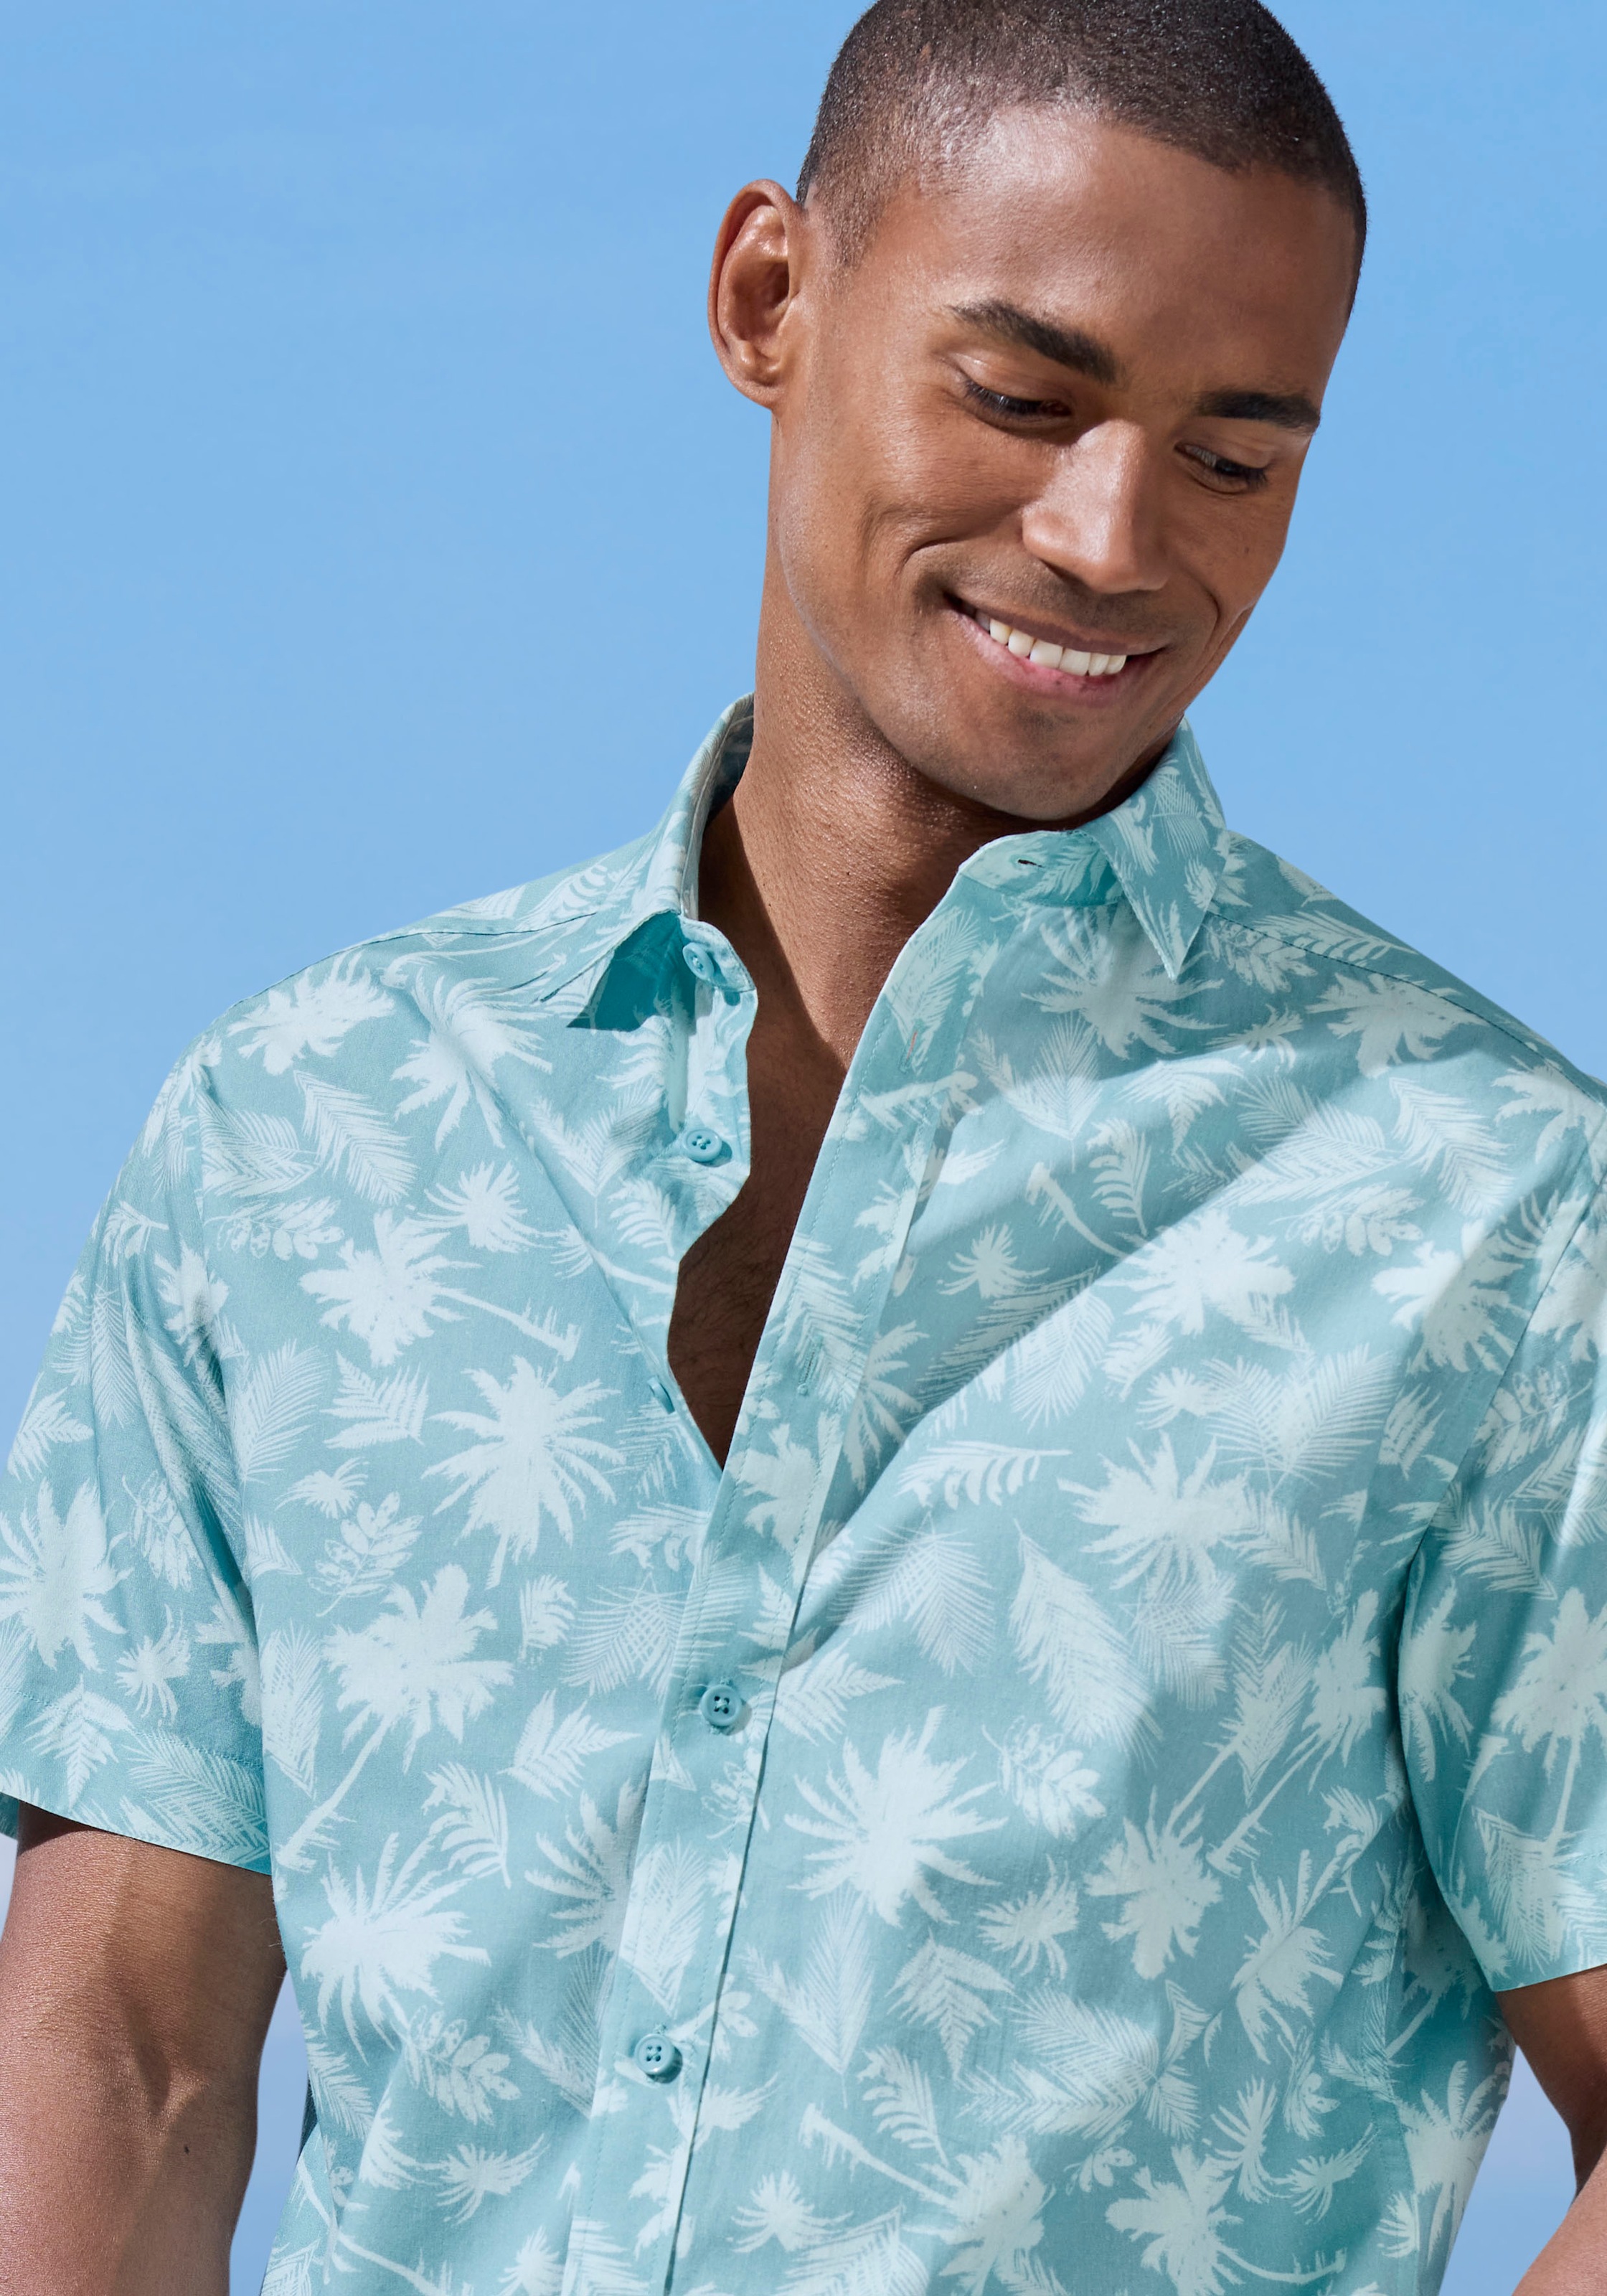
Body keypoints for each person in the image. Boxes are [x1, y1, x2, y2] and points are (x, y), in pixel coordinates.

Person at [4, 1, 1606, 2289]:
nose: (1112, 537)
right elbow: (132, 2057)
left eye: (1235, 458)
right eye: (1024, 398)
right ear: (772, 296)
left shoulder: (1494, 1216)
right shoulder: (308, 1136)